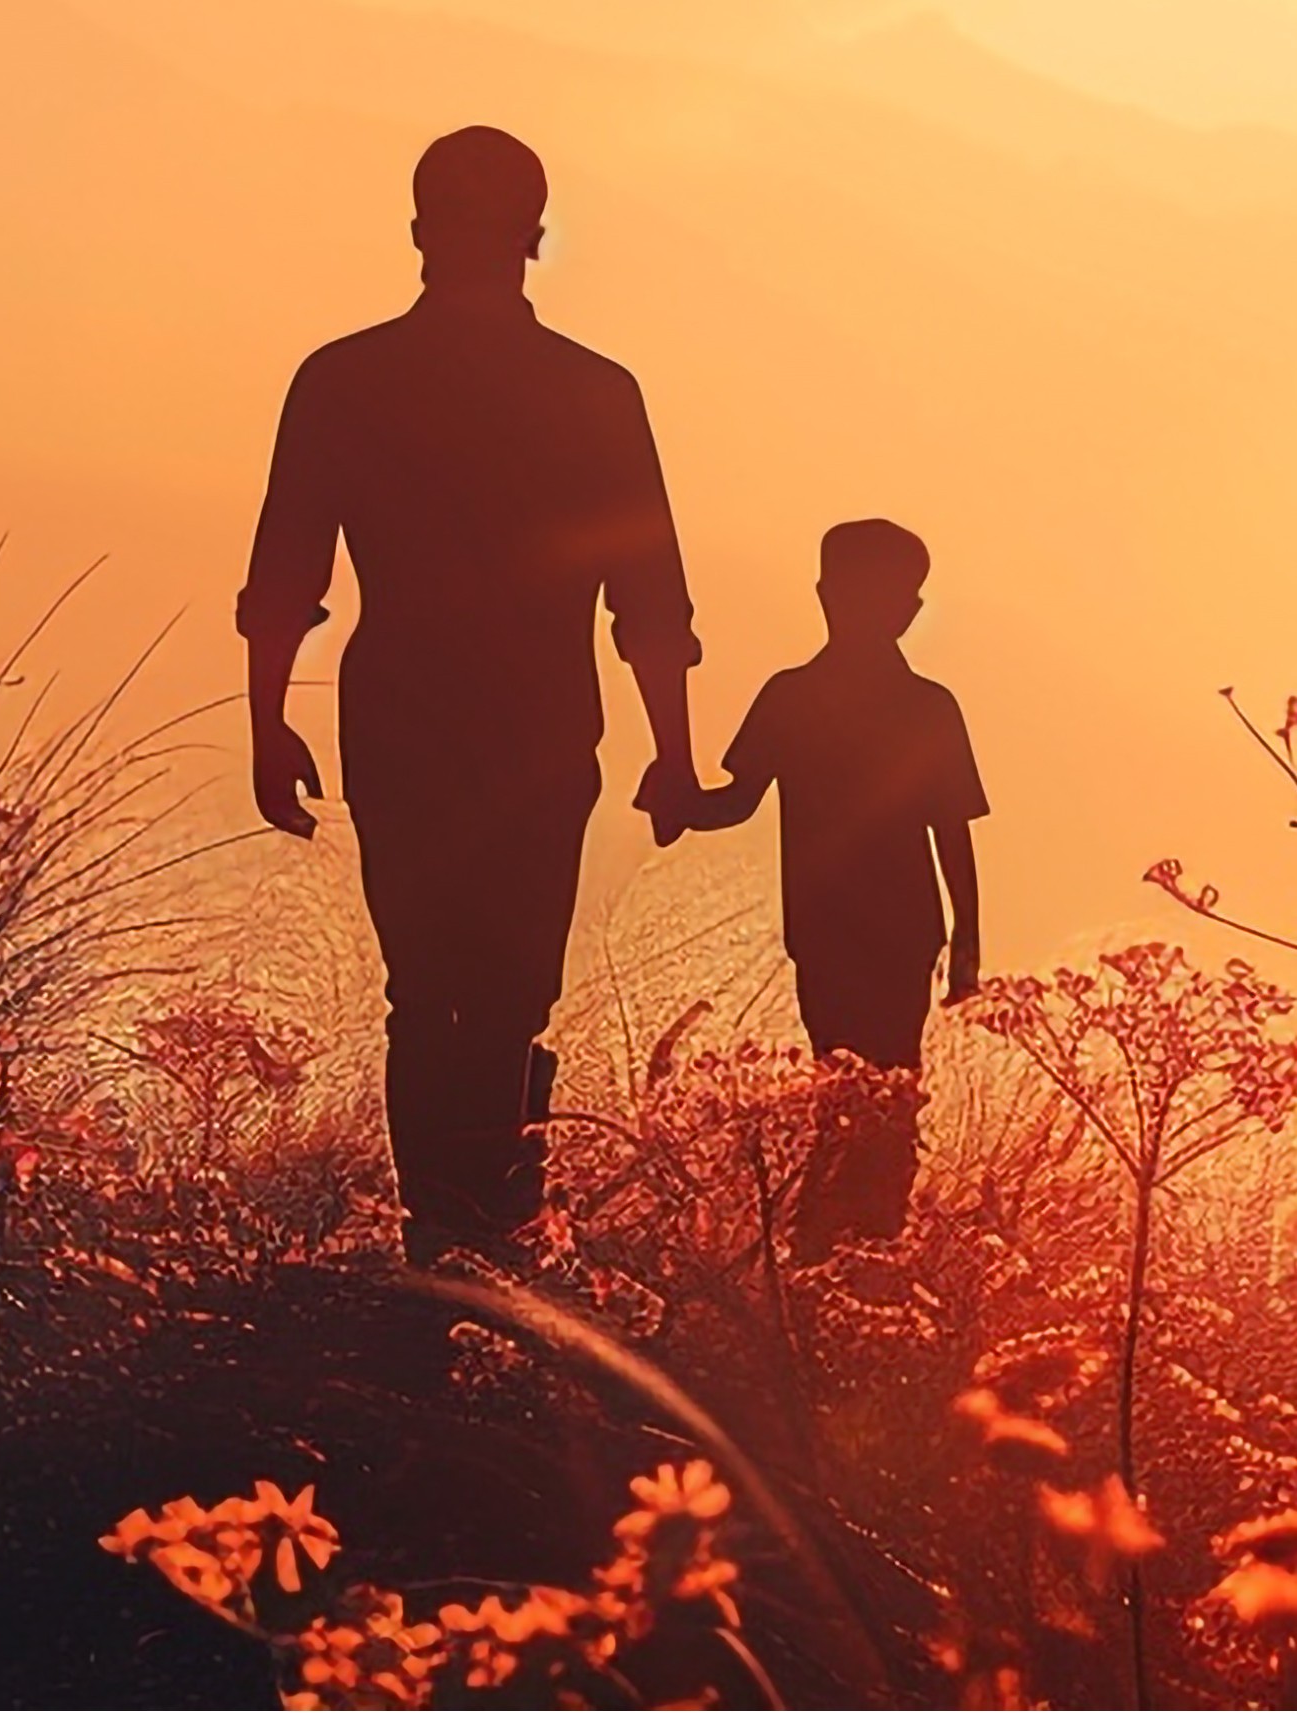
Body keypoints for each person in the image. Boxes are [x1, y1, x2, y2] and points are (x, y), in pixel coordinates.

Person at [239, 126, 706, 1261]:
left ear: (416, 230)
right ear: (536, 239)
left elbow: (285, 579)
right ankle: (486, 1244)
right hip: (540, 734)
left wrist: (269, 723)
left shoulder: (343, 378)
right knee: (503, 1002)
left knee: (428, 994)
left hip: (397, 724)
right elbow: (650, 601)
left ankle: (445, 1250)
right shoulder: (595, 394)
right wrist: (673, 752)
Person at [642, 517, 986, 1253]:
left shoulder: (918, 706)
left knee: (881, 1097)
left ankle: (850, 1248)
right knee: (853, 1094)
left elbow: (951, 830)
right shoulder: (803, 698)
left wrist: (967, 945)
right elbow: (733, 800)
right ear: (829, 595)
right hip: (839, 936)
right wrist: (679, 799)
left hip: (886, 937)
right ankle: (836, 1252)